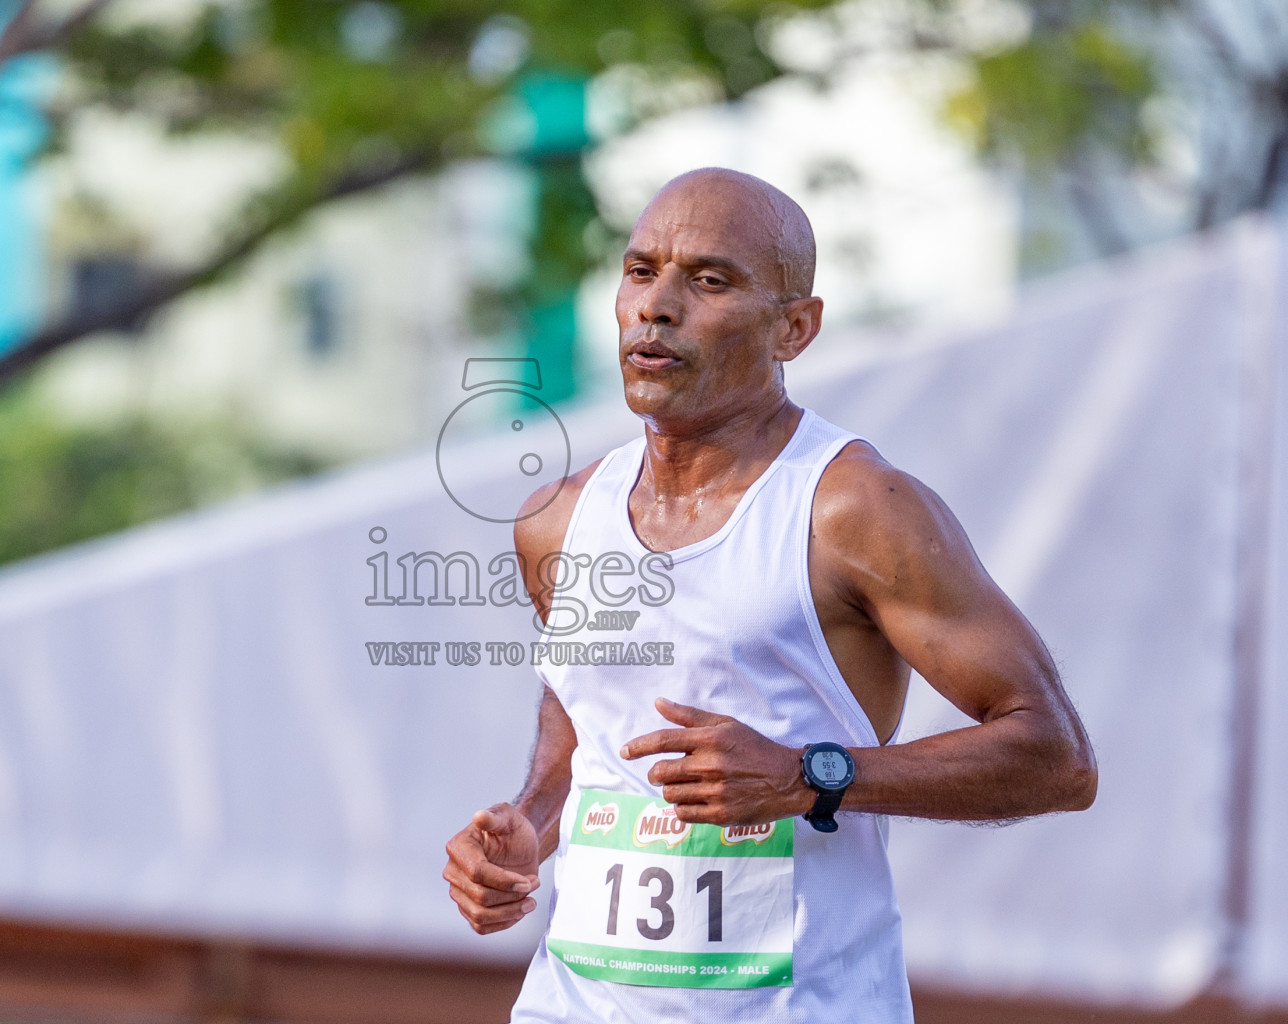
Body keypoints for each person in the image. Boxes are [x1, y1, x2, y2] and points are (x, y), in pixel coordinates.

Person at [442, 167, 1097, 1023]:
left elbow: (1056, 756)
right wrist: (533, 820)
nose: (657, 306)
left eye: (708, 281)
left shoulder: (854, 509)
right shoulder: (558, 520)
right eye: (641, 272)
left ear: (796, 327)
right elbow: (591, 706)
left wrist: (810, 776)